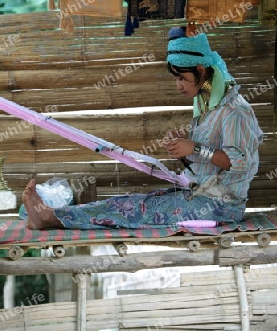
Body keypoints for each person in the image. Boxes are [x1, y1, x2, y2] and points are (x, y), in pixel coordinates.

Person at [23, 27, 263, 230]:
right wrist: (185, 148)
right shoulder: (206, 100)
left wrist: (196, 148)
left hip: (220, 208)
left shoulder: (234, 111)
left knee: (132, 210)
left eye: (182, 78)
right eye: (176, 79)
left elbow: (238, 163)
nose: (179, 85)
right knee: (130, 201)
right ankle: (50, 215)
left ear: (201, 70)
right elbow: (210, 158)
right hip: (198, 194)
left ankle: (47, 218)